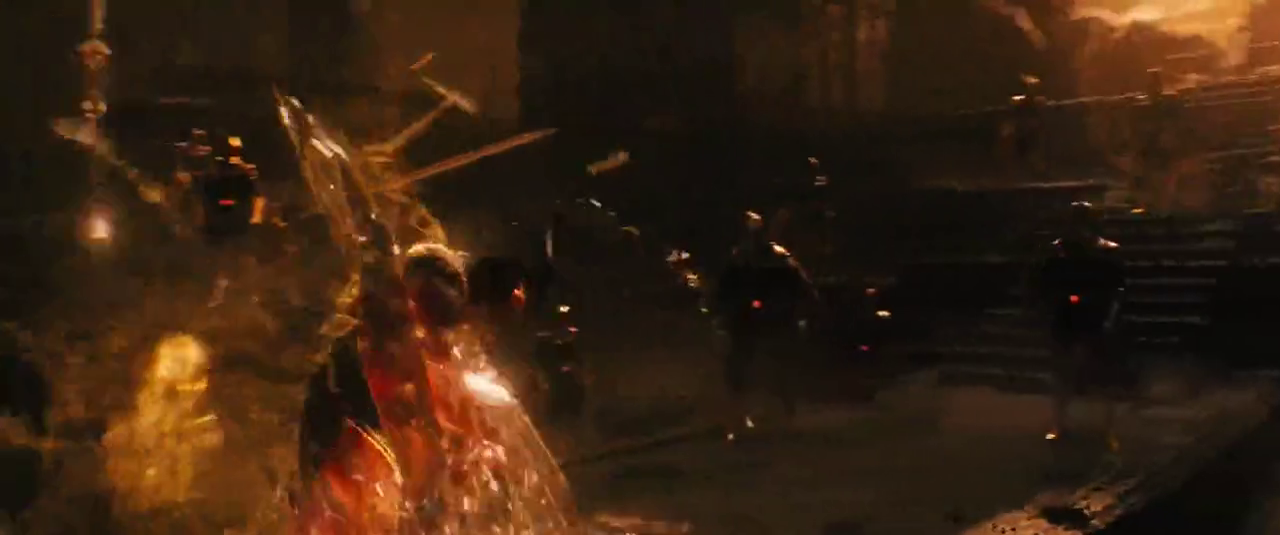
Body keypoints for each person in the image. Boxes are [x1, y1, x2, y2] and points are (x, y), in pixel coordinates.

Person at [1036, 201, 1129, 456]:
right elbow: (1044, 284)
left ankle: (1105, 426)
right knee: (1063, 371)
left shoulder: (1107, 251)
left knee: (1101, 372)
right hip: (1066, 313)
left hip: (1095, 312)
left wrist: (1110, 317)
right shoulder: (1057, 251)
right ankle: (1060, 423)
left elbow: (1117, 289)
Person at [713, 211, 817, 433]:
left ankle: (783, 409)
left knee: (780, 363)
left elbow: (802, 289)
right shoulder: (740, 260)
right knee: (739, 364)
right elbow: (724, 292)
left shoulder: (776, 258)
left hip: (774, 319)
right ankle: (742, 411)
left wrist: (796, 309)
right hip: (750, 321)